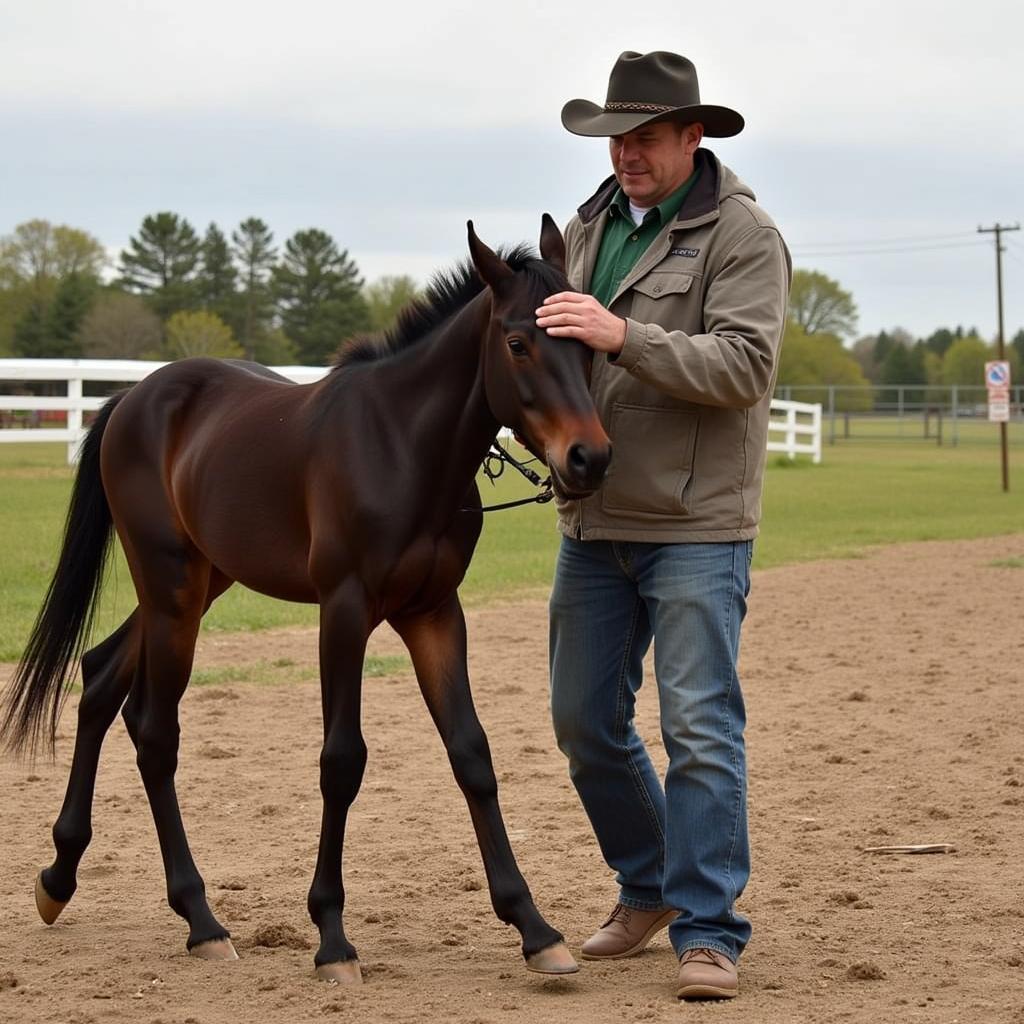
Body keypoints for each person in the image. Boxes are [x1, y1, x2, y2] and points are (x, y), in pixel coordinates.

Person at [535, 50, 791, 1000]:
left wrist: (622, 335)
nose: (627, 154)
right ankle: (647, 888)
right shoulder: (585, 226)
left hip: (697, 524)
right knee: (582, 721)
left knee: (699, 727)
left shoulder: (743, 234)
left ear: (694, 136)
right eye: (616, 138)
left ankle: (710, 929)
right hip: (594, 521)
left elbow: (745, 368)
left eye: (646, 136)